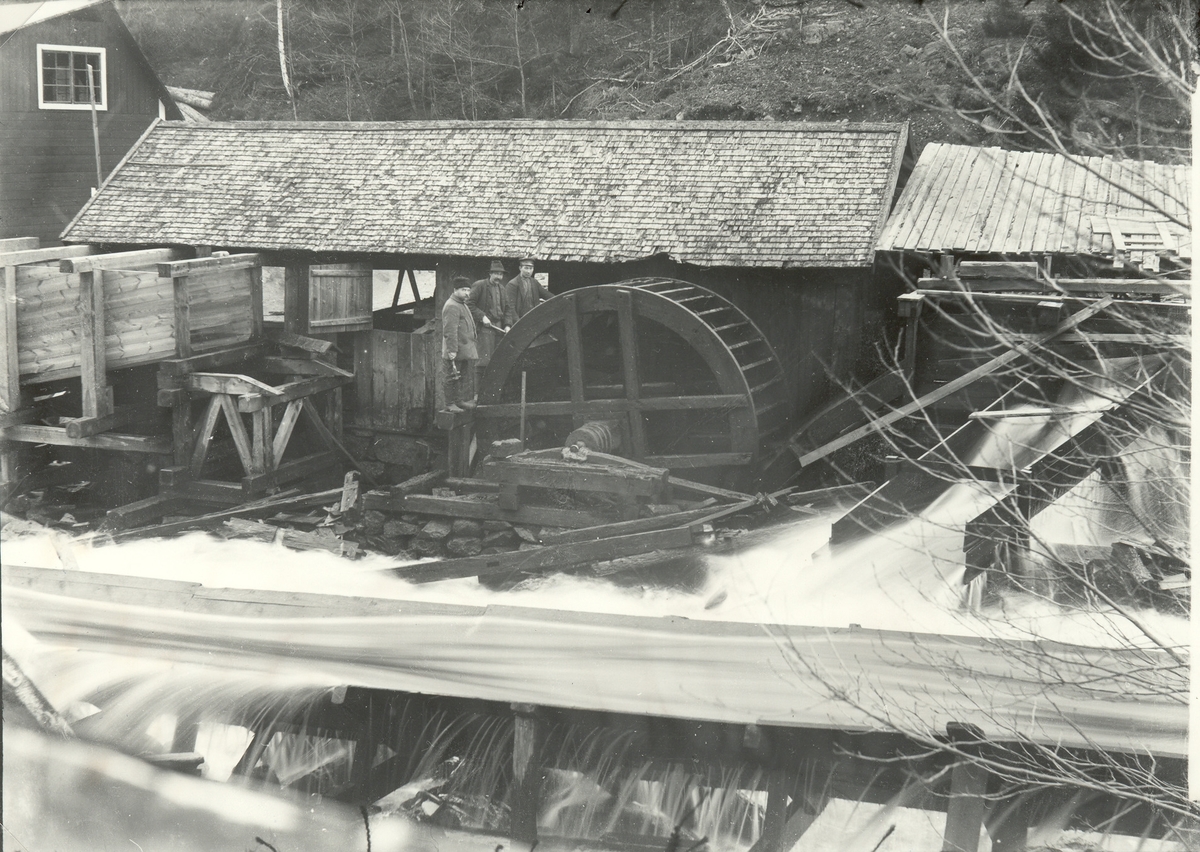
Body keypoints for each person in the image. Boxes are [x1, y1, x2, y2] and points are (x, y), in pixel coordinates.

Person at [441, 277, 478, 412]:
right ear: (455, 290)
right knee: (451, 377)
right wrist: (452, 350)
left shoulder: (462, 304)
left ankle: (459, 401)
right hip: (455, 350)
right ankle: (449, 404)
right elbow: (450, 330)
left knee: (460, 376)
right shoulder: (452, 306)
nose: (467, 293)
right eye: (463, 290)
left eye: (468, 290)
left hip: (463, 350)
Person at [503, 256, 551, 329]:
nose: (528, 271)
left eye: (531, 268)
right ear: (520, 268)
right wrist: (519, 323)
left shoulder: (534, 282)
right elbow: (510, 308)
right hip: (520, 321)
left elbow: (546, 295)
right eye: (526, 268)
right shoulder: (513, 284)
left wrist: (560, 298)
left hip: (534, 320)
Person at [469, 259, 509, 332]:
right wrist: (482, 317)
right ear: (490, 273)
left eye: (501, 274)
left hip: (500, 327)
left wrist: (507, 325)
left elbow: (507, 308)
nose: (499, 277)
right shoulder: (480, 285)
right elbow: (469, 304)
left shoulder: (502, 289)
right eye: (496, 274)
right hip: (484, 327)